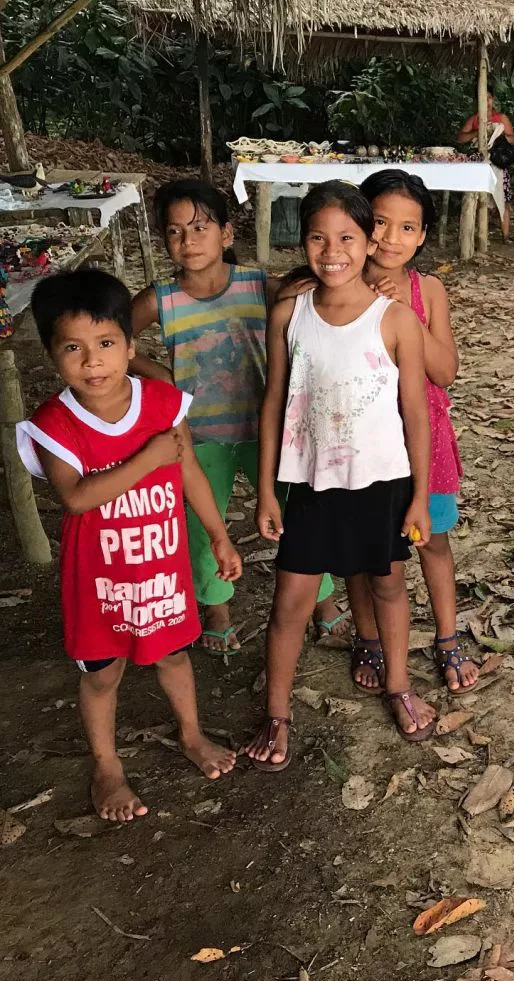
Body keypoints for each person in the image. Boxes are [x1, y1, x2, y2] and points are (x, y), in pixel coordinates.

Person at [16, 268, 242, 821]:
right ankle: (107, 766)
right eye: (74, 347)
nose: (93, 361)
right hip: (99, 583)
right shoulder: (54, 424)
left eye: (106, 343)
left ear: (130, 344)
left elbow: (188, 469)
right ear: (51, 355)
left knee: (172, 655)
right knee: (101, 674)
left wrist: (218, 534)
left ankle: (191, 733)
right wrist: (146, 459)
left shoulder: (164, 403)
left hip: (161, 571)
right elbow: (75, 498)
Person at [242, 181, 435, 769]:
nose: (333, 251)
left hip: (383, 483)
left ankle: (400, 686)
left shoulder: (395, 320)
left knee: (389, 587)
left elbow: (415, 415)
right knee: (289, 605)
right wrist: (269, 490)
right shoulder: (289, 316)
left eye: (348, 237)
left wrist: (421, 496)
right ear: (302, 242)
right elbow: (274, 403)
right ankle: (277, 715)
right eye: (318, 237)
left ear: (367, 239)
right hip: (310, 487)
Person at [129, 180, 342, 655]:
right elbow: (112, 338)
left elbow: (318, 305)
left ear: (226, 234)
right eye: (175, 232)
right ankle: (217, 612)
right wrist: (159, 375)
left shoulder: (258, 286)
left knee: (297, 515)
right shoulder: (160, 299)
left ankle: (324, 603)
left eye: (200, 227)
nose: (188, 240)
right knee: (206, 527)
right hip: (199, 435)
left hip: (268, 430)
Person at [344, 169, 478, 694]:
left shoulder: (430, 289)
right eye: (379, 223)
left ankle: (448, 637)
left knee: (432, 543)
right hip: (362, 447)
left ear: (423, 236)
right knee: (363, 552)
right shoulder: (340, 284)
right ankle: (369, 638)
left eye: (407, 228)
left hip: (425, 446)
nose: (390, 239)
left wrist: (405, 313)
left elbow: (444, 371)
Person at [456, 82, 514, 242]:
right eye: (483, 98)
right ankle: (479, 235)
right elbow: (461, 137)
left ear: (493, 99)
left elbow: (512, 139)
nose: (487, 101)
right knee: (480, 199)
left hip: (497, 163)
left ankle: (506, 236)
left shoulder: (501, 118)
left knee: (502, 200)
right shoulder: (474, 119)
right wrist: (478, 131)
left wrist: (497, 135)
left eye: (489, 98)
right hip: (479, 164)